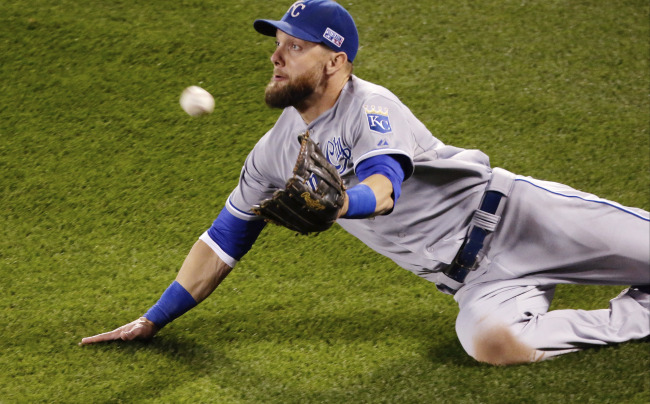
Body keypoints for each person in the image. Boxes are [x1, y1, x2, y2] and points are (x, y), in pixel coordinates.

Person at [80, 0, 650, 365]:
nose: (277, 57)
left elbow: (384, 185)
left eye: (295, 46)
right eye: (277, 44)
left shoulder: (372, 106)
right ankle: (639, 315)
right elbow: (223, 239)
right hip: (476, 285)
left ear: (336, 62)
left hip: (522, 218)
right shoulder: (273, 153)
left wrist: (338, 205)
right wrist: (153, 318)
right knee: (491, 346)